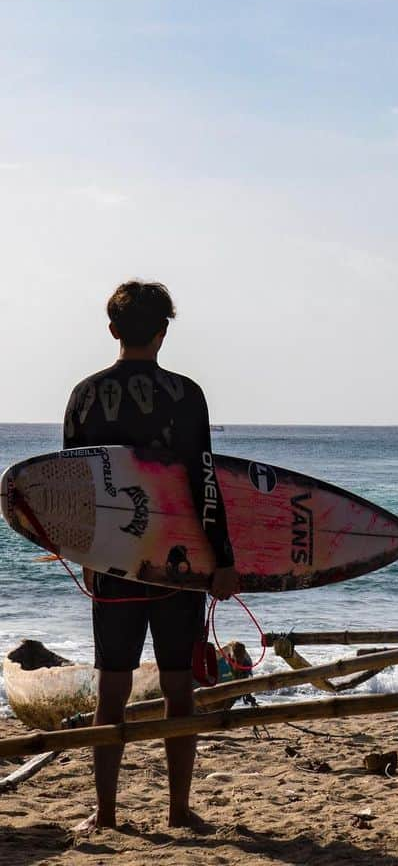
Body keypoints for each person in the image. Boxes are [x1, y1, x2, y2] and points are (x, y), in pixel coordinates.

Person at [63, 280, 239, 832]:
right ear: (164, 331)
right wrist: (223, 559)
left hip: (113, 564)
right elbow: (203, 481)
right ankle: (179, 809)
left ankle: (107, 813)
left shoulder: (85, 396)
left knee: (112, 689)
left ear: (113, 329)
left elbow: (72, 490)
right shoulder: (187, 396)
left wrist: (83, 552)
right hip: (180, 564)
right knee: (178, 688)